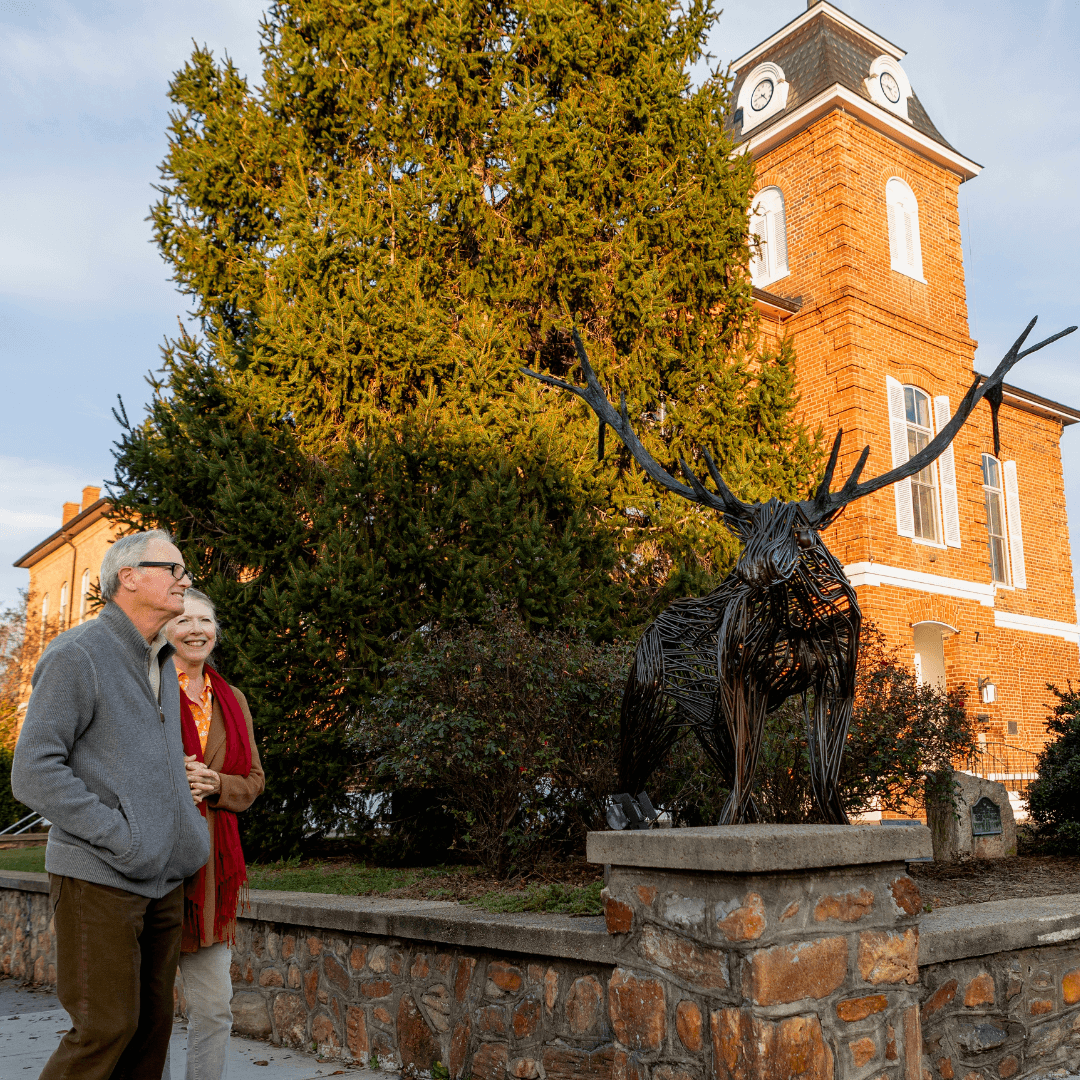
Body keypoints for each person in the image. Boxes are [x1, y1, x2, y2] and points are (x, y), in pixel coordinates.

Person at [12, 529, 211, 1080]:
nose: (185, 580)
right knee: (104, 1029)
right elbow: (33, 771)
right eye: (173, 570)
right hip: (100, 875)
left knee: (151, 1030)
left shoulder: (164, 661)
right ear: (129, 577)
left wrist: (186, 833)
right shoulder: (78, 655)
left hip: (165, 879)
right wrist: (123, 836)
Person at [164, 588, 264, 1080]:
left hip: (211, 878)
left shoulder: (232, 698)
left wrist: (217, 783)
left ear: (216, 630)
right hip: (153, 869)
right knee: (146, 1015)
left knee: (213, 1008)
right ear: (166, 630)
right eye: (184, 620)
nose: (196, 629)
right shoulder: (147, 686)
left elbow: (254, 780)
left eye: (205, 620)